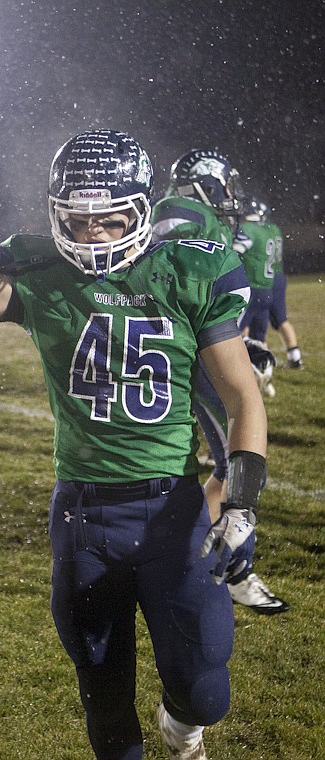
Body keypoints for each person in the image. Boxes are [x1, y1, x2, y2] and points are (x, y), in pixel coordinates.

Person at [0, 87, 268, 760]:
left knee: (204, 690)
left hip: (174, 507)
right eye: (75, 221)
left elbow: (241, 396)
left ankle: (182, 723)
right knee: (103, 697)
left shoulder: (186, 268)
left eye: (107, 220)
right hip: (83, 515)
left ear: (140, 210)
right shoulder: (42, 272)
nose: (89, 234)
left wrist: (241, 505)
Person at [151, 152, 288, 614]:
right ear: (203, 184)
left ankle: (195, 551)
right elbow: (171, 290)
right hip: (190, 358)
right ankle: (236, 571)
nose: (231, 195)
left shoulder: (197, 216)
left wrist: (237, 345)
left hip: (197, 350)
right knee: (237, 458)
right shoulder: (181, 211)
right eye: (224, 185)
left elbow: (200, 301)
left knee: (226, 467)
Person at [233, 197, 304, 369]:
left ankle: (241, 366)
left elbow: (234, 252)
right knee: (261, 333)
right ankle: (263, 367)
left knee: (234, 330)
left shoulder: (248, 229)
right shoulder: (270, 229)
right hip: (268, 285)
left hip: (253, 286)